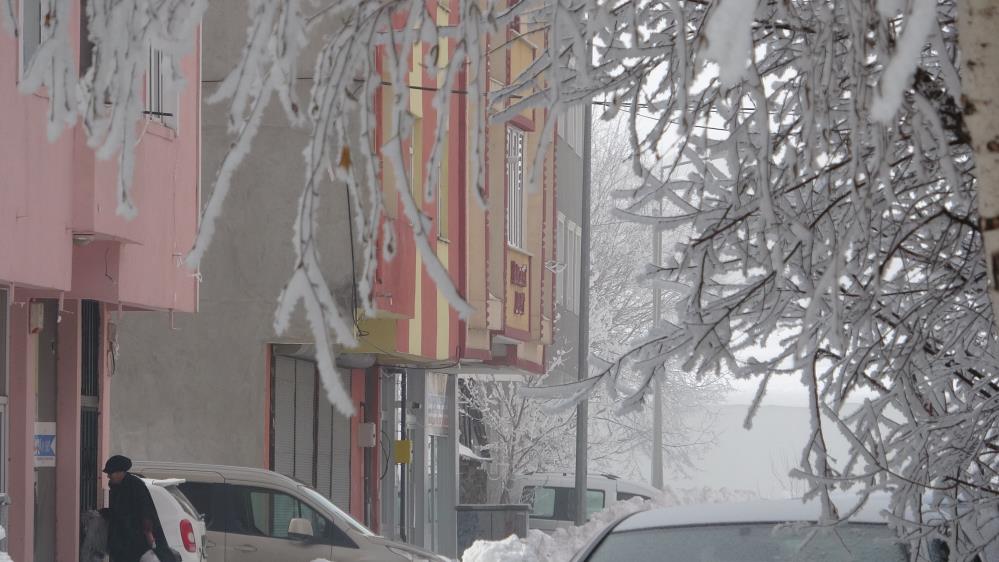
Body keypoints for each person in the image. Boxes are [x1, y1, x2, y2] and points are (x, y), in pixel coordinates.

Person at [101, 455, 172, 562]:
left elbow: (145, 512)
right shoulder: (117, 487)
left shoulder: (135, 486)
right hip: (121, 541)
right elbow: (117, 512)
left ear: (120, 472)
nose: (109, 476)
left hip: (135, 541)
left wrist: (149, 534)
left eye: (110, 473)